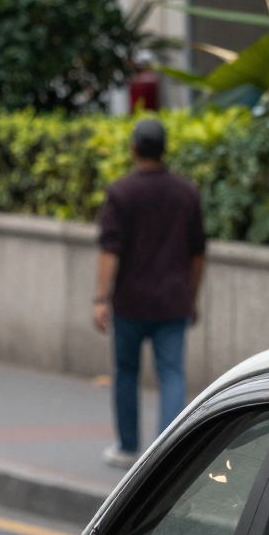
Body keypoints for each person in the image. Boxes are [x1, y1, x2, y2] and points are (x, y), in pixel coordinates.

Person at [92, 117, 206, 467]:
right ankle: (165, 456)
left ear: (133, 148)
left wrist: (100, 298)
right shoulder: (186, 193)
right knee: (172, 373)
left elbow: (111, 250)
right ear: (164, 149)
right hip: (173, 301)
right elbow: (197, 252)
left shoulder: (121, 193)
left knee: (126, 372)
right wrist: (192, 295)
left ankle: (128, 448)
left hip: (130, 302)